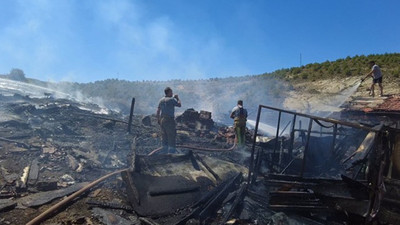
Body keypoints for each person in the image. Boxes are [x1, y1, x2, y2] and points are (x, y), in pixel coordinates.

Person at [156, 87, 181, 154]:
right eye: (171, 92)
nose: (172, 93)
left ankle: (164, 152)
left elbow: (158, 111)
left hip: (162, 120)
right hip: (169, 120)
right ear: (169, 92)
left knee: (164, 137)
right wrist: (177, 98)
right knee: (171, 137)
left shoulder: (161, 100)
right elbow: (179, 105)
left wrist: (158, 119)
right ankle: (171, 154)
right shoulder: (171, 99)